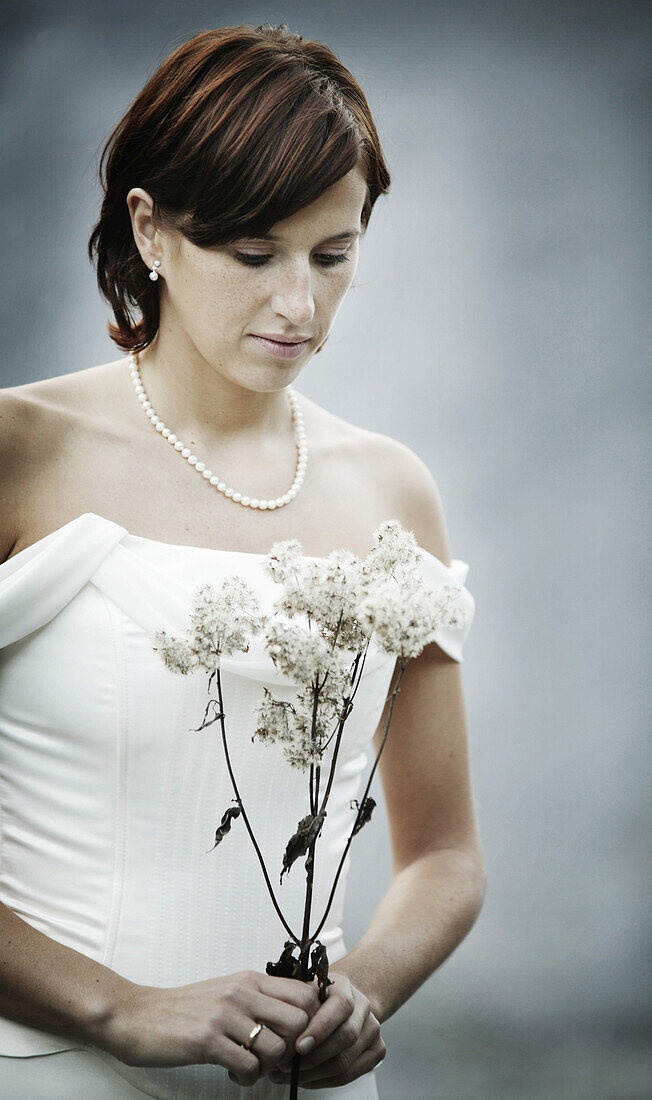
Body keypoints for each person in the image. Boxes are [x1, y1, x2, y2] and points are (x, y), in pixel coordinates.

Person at [0, 22, 486, 1099]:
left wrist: (360, 990)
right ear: (152, 229)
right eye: (254, 254)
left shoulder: (391, 489)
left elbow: (446, 856)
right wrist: (120, 1006)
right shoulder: (20, 452)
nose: (298, 307)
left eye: (334, 253)